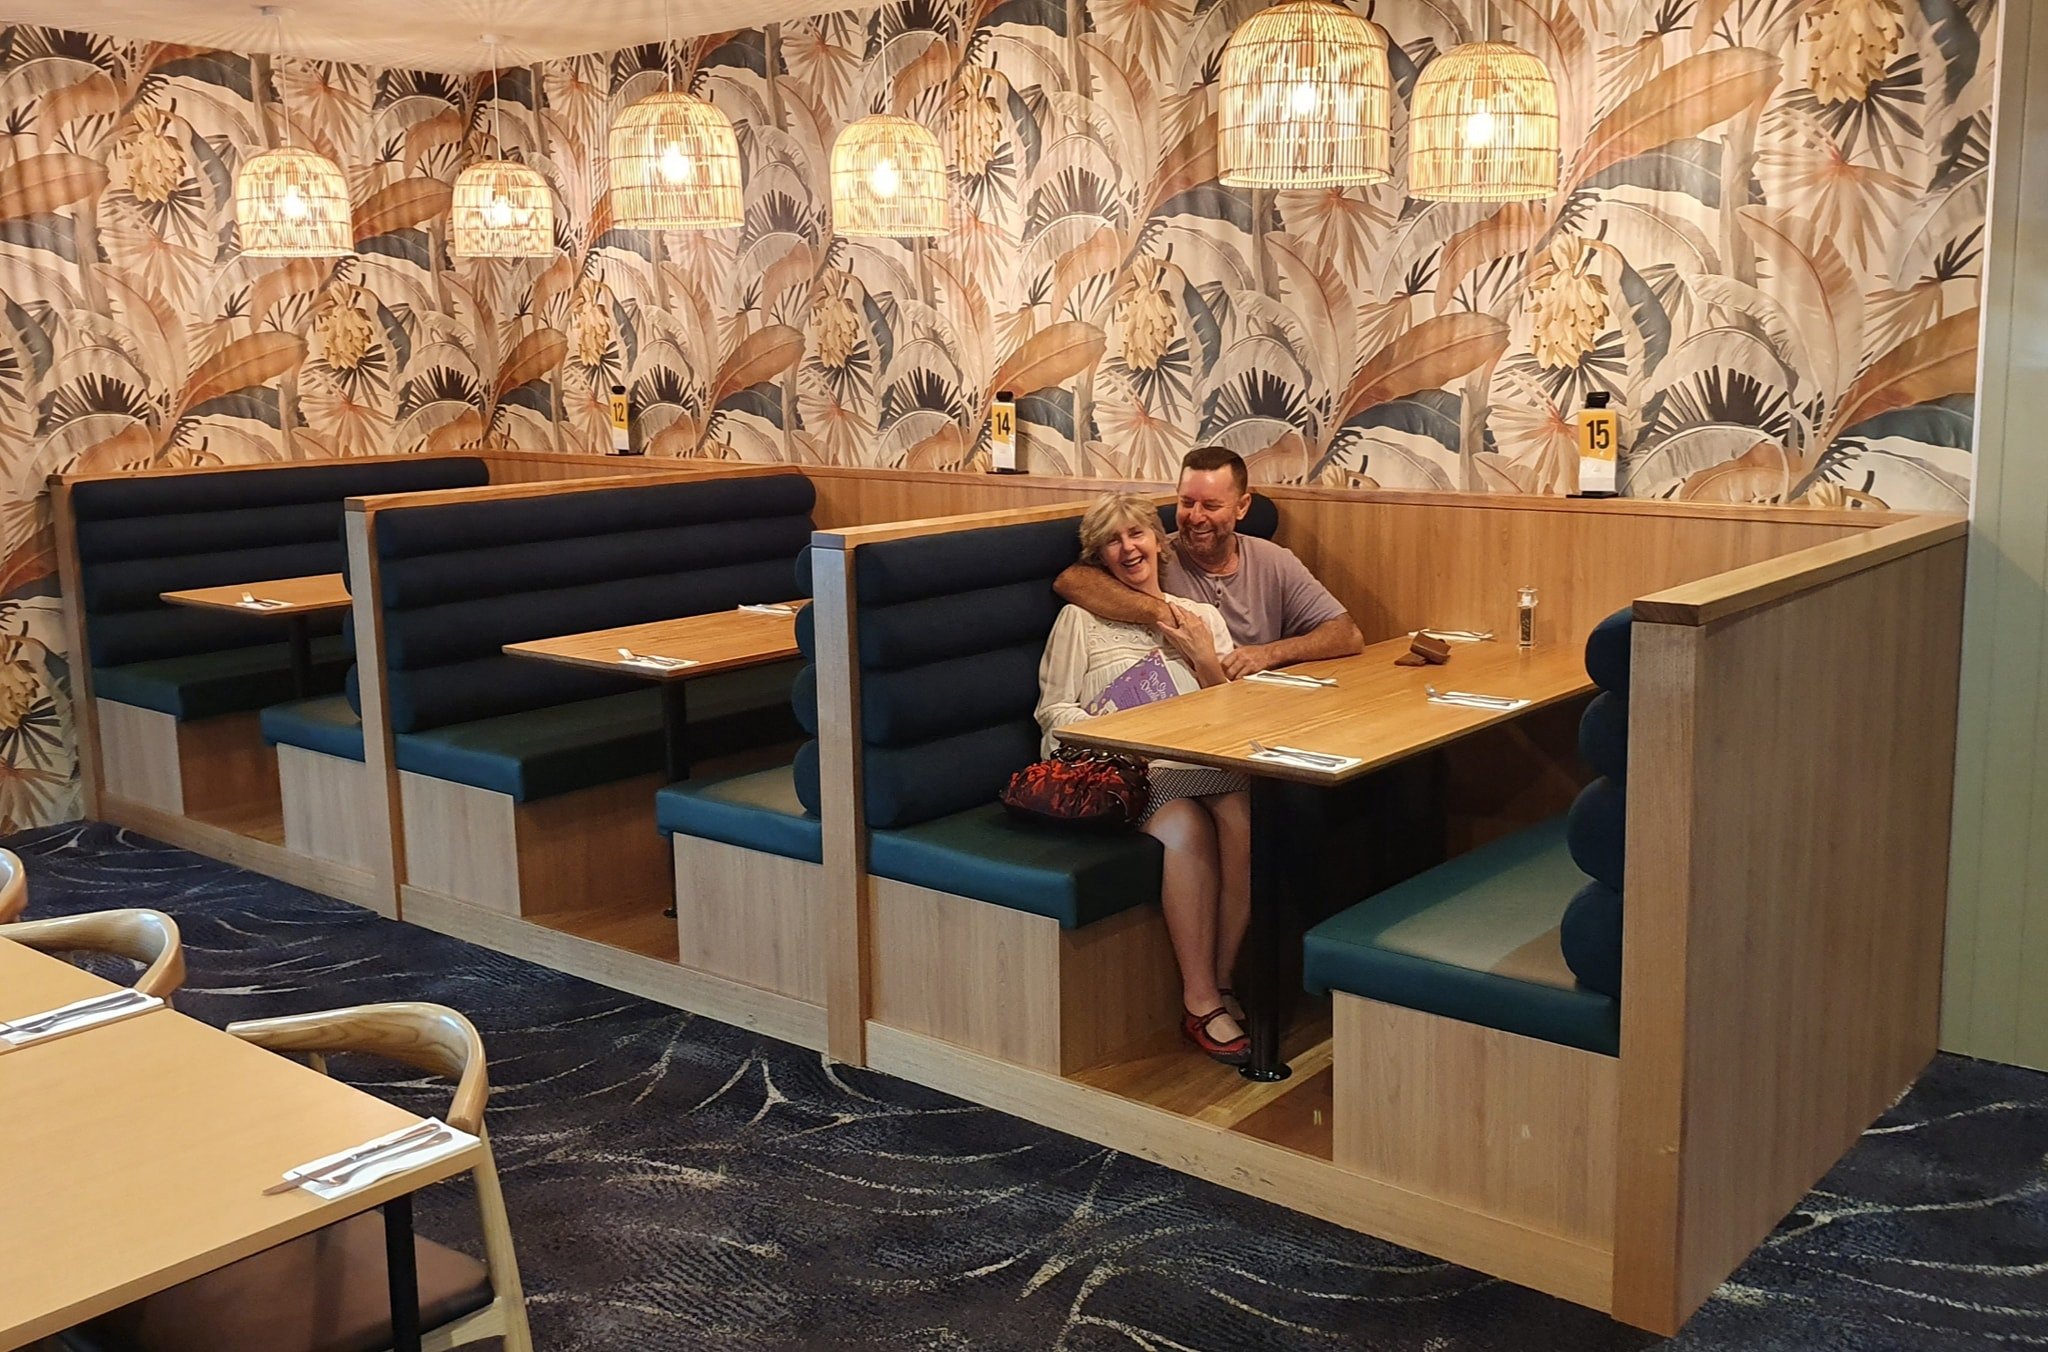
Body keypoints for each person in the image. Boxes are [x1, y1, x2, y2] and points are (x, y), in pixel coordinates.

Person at [1035, 494, 1254, 1066]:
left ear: (1159, 542)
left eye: (1137, 534)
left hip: (1206, 761)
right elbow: (1053, 710)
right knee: (1185, 827)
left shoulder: (1200, 617)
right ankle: (1200, 999)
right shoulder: (1080, 618)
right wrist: (1110, 729)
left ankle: (1223, 980)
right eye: (1113, 540)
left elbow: (1235, 712)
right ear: (1100, 556)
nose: (1128, 548)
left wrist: (1204, 657)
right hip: (1131, 770)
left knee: (1243, 814)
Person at [1053, 445, 1364, 674]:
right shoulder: (1157, 554)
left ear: (1242, 507)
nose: (1196, 517)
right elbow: (1072, 581)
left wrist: (1267, 655)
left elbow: (1346, 635)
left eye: (1211, 506)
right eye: (1187, 502)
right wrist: (1168, 613)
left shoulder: (1274, 560)